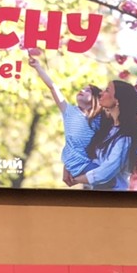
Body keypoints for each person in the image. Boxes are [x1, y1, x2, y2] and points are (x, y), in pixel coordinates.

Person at [27, 50, 101, 186]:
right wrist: (37, 67)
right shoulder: (69, 111)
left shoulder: (99, 118)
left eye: (87, 91)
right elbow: (52, 87)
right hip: (77, 163)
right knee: (107, 177)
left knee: (108, 179)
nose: (82, 90)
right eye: (82, 89)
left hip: (90, 162)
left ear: (96, 99)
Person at [76, 80, 137, 192]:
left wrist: (75, 179)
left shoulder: (125, 138)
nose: (101, 93)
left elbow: (105, 173)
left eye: (107, 90)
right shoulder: (107, 129)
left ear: (117, 101)